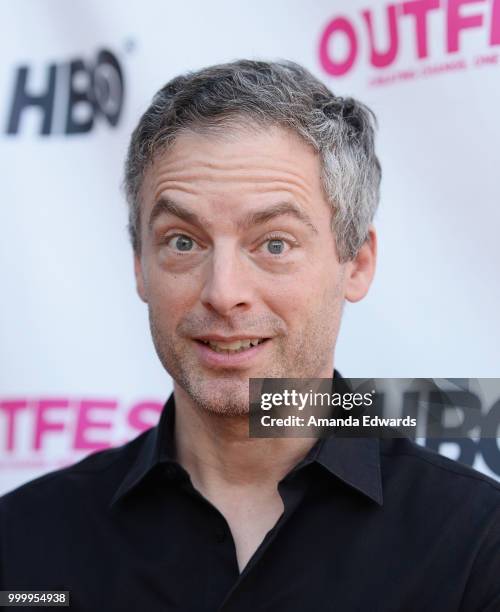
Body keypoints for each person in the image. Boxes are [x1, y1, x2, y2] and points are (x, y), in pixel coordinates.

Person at [0, 59, 499, 612]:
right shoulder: (23, 544)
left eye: (275, 243)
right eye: (183, 242)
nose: (223, 291)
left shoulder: (476, 547)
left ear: (355, 263)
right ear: (140, 264)